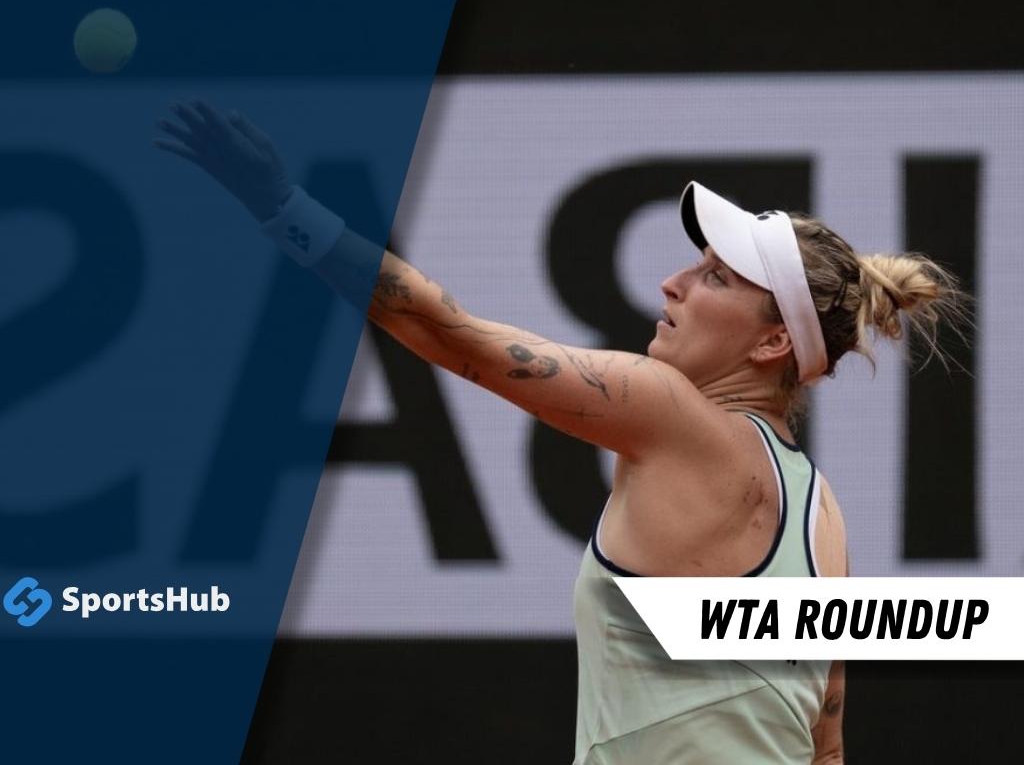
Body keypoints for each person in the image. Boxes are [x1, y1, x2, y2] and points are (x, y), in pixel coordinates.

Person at [155, 100, 968, 764]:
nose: (674, 280)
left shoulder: (670, 413)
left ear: (771, 344)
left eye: (716, 276)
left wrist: (281, 206)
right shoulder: (822, 512)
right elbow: (825, 746)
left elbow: (450, 334)